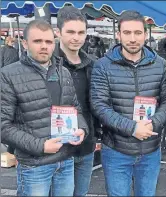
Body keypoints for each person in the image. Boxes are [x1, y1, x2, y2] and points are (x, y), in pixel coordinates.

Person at [1, 19, 88, 196]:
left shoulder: (63, 72)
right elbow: (3, 126)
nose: (44, 46)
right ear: (25, 43)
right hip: (34, 165)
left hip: (65, 159)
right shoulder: (8, 75)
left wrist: (82, 129)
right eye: (37, 41)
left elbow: (75, 108)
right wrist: (40, 146)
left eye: (48, 41)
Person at [90, 10, 166, 196]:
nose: (132, 38)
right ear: (118, 35)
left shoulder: (160, 65)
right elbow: (99, 106)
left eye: (137, 33)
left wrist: (152, 124)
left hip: (150, 149)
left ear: (146, 34)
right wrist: (132, 128)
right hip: (117, 150)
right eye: (127, 33)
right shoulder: (103, 66)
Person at [53, 7, 101, 196]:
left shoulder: (93, 65)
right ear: (58, 32)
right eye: (71, 32)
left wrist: (97, 134)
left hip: (85, 146)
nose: (76, 37)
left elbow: (96, 103)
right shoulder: (47, 63)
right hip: (56, 148)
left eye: (81, 32)